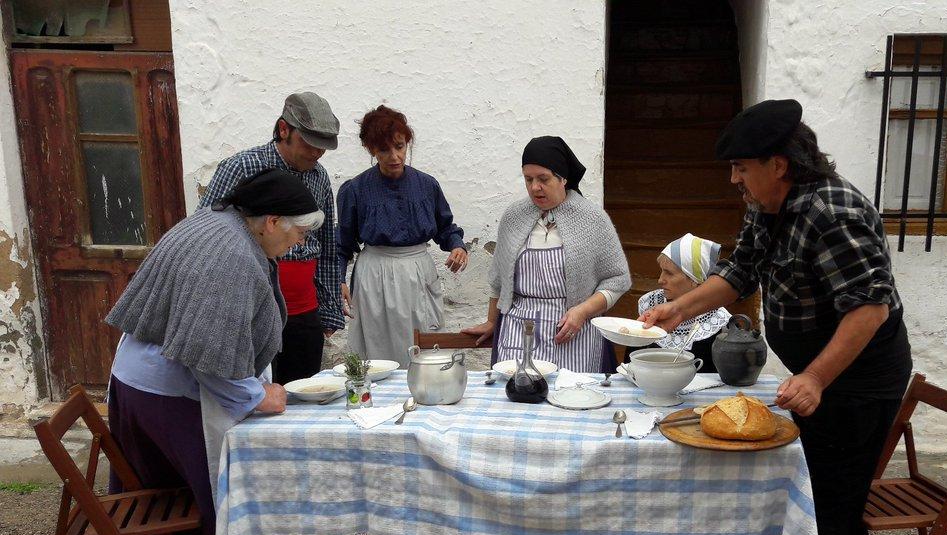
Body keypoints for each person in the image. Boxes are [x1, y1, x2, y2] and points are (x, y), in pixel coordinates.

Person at [638, 99, 913, 535]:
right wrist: (680, 310)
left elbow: (869, 309)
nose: (733, 178)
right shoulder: (769, 206)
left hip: (858, 377)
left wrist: (814, 377)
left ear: (779, 164)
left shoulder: (832, 211)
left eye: (741, 166)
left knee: (828, 494)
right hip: (825, 371)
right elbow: (740, 271)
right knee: (825, 479)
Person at [105, 168, 323, 535]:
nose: (299, 242)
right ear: (271, 221)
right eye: (297, 232)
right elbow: (207, 355)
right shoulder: (229, 255)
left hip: (144, 380)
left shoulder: (217, 222)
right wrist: (257, 396)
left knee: (200, 489)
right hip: (164, 392)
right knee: (225, 489)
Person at [199, 92, 344, 384]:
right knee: (257, 393)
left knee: (304, 394)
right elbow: (206, 231)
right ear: (283, 130)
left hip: (304, 310)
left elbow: (327, 244)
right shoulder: (241, 167)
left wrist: (329, 309)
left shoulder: (319, 176)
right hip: (251, 306)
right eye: (309, 143)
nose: (317, 153)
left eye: (323, 147)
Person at [464, 137, 631, 372]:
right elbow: (498, 280)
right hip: (518, 331)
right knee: (518, 395)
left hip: (571, 331)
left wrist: (582, 312)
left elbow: (617, 281)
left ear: (563, 178)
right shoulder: (514, 217)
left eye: (543, 179)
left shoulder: (593, 219)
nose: (535, 187)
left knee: (570, 399)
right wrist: (492, 321)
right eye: (528, 179)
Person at [336, 105, 468, 366]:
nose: (394, 156)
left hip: (417, 272)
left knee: (425, 344)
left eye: (399, 146)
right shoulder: (355, 190)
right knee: (376, 350)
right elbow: (343, 244)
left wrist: (458, 246)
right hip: (375, 275)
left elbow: (446, 228)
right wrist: (338, 280)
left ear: (407, 143)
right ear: (371, 150)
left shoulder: (427, 185)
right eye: (384, 149)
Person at [624, 233, 730, 371]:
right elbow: (629, 364)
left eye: (669, 273)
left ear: (695, 280)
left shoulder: (716, 322)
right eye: (662, 271)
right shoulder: (651, 306)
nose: (660, 280)